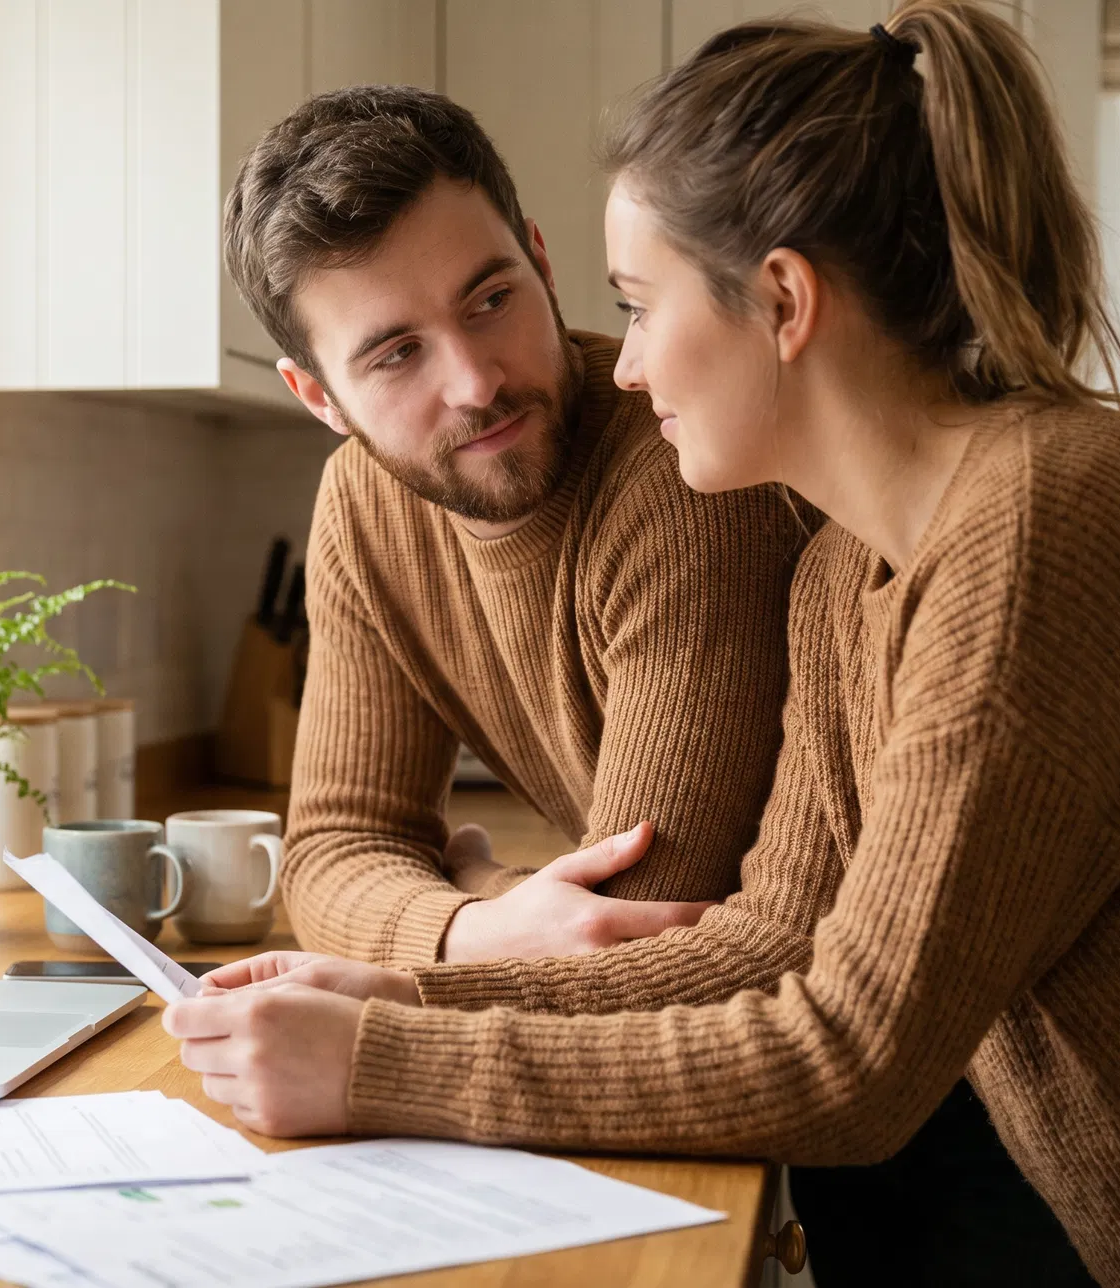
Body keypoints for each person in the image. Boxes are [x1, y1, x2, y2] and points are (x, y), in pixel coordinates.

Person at [165, 5, 1120, 1285]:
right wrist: (411, 988)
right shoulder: (849, 572)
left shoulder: (1033, 537)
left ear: (784, 302)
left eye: (638, 305)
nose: (626, 365)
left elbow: (846, 1057)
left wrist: (382, 1057)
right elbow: (769, 941)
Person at [223, 85, 807, 968]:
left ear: (540, 261)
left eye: (491, 300)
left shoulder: (685, 471)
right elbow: (334, 852)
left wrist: (476, 882)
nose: (475, 383)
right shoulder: (365, 506)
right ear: (319, 397)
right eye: (397, 353)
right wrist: (478, 927)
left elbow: (634, 931)